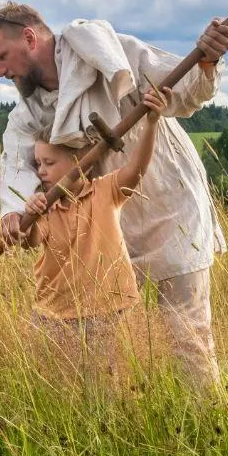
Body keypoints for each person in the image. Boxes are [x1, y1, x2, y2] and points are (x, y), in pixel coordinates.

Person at [0, 2, 228, 390]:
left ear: (30, 38)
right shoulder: (30, 113)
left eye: (2, 56)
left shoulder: (109, 52)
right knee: (110, 343)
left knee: (188, 335)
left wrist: (208, 59)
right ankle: (127, 427)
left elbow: (183, 93)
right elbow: (16, 163)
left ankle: (209, 427)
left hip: (170, 206)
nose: (1, 70)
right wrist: (12, 214)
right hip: (106, 225)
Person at [20, 84, 174, 379]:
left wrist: (152, 123)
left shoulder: (105, 191)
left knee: (109, 391)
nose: (41, 171)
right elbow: (30, 240)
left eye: (49, 163)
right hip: (55, 314)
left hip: (110, 311)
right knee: (59, 394)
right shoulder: (43, 207)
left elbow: (137, 168)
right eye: (37, 163)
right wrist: (30, 213)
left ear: (80, 162)